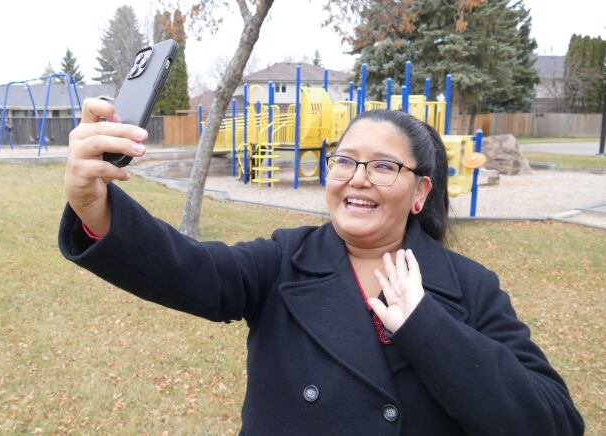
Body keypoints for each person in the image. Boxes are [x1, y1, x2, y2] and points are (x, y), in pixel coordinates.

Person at [59, 99, 584, 435]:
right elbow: (189, 269)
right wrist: (93, 205)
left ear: (420, 191)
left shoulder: (470, 288)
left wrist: (425, 325)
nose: (357, 178)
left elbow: (552, 421)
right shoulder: (282, 262)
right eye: (345, 161)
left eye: (383, 166)